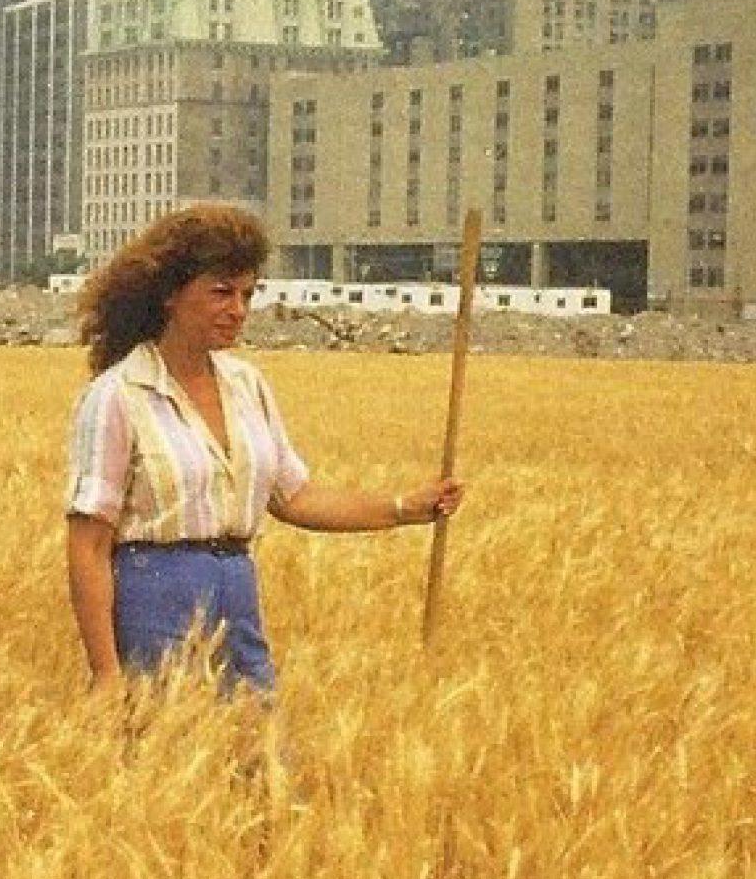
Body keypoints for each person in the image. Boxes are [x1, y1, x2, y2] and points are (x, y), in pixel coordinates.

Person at [64, 204, 464, 694]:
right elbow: (89, 545)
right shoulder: (118, 395)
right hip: (154, 593)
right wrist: (105, 672)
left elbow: (295, 497)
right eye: (220, 293)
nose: (237, 310)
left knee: (258, 754)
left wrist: (405, 508)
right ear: (170, 294)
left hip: (237, 592)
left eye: (246, 295)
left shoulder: (246, 385)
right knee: (163, 748)